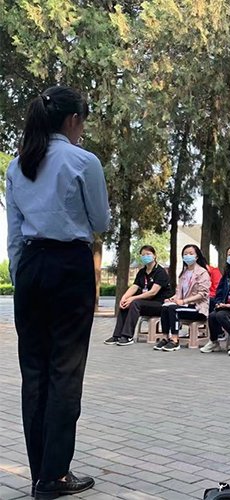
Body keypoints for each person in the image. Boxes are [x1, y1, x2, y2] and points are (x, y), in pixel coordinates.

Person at [7, 86, 110, 498]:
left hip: (31, 266)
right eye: (82, 122)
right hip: (69, 266)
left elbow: (15, 233)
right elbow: (100, 221)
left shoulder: (18, 164)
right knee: (65, 370)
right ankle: (54, 476)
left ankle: (40, 471)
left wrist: (22, 275)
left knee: (34, 372)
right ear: (72, 120)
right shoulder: (83, 161)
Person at [105, 245, 172, 346]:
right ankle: (117, 335)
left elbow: (153, 292)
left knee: (134, 302)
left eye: (148, 254)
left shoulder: (160, 272)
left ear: (154, 256)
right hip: (146, 304)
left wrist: (133, 298)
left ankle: (127, 336)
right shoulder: (142, 272)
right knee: (125, 304)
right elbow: (135, 286)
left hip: (160, 304)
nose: (145, 257)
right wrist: (124, 298)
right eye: (143, 255)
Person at [156, 245, 211, 352]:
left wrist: (184, 301)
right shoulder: (183, 273)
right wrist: (171, 299)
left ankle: (175, 340)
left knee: (173, 309)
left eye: (191, 253)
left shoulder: (202, 272)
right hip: (184, 305)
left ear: (197, 256)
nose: (187, 256)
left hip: (197, 308)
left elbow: (202, 294)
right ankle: (165, 337)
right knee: (165, 307)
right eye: (185, 254)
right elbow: (179, 293)